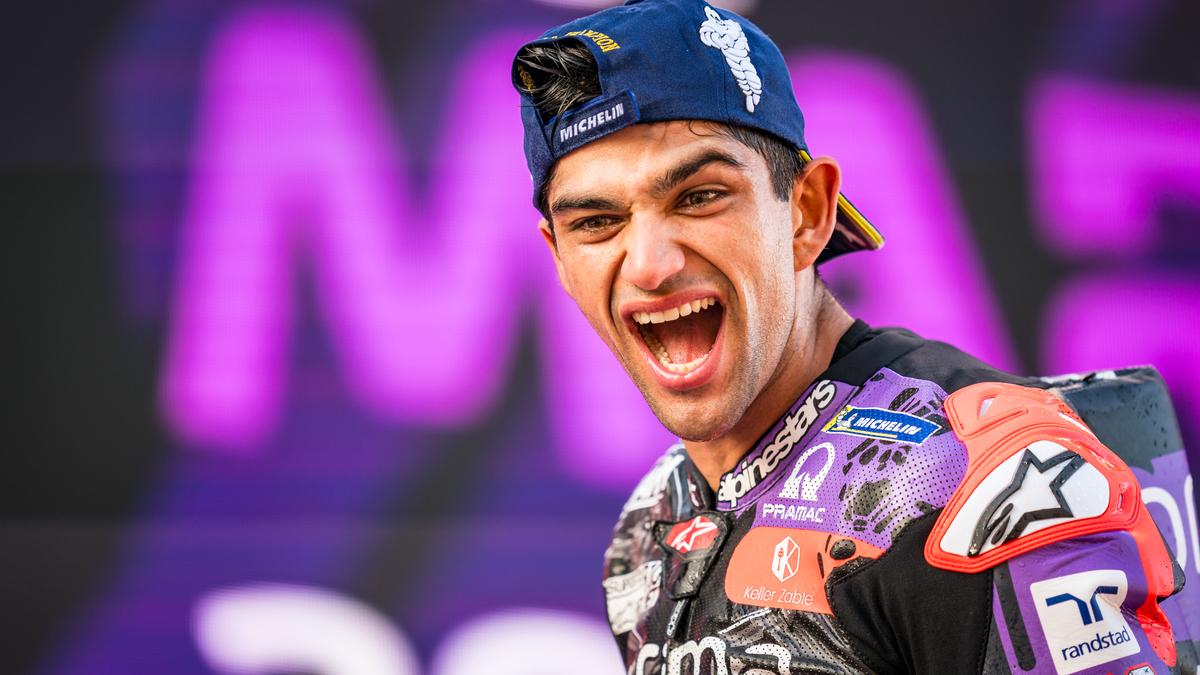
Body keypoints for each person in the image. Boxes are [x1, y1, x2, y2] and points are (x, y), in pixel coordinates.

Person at [510, 1, 1191, 673]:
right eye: (595, 222)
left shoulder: (981, 479)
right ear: (559, 260)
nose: (650, 265)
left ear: (807, 212)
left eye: (699, 197)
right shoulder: (648, 523)